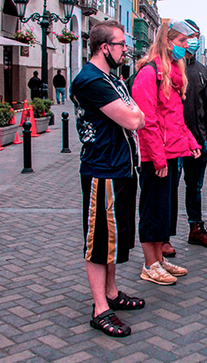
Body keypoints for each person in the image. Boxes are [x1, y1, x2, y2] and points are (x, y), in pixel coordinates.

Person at [70, 21, 146, 338]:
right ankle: (100, 308)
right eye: (121, 44)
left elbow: (136, 116)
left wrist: (134, 113)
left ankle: (112, 293)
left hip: (121, 169)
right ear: (105, 48)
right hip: (103, 171)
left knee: (114, 239)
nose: (125, 49)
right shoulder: (90, 81)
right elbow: (133, 118)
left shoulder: (111, 79)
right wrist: (134, 112)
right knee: (100, 241)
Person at [131, 20, 201, 286]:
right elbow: (147, 119)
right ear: (168, 41)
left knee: (165, 210)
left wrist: (190, 141)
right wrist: (158, 157)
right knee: (153, 209)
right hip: (156, 155)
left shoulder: (172, 71)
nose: (187, 46)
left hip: (171, 152)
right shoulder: (150, 73)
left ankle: (159, 259)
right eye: (183, 41)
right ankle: (150, 264)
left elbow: (175, 117)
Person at [177, 19, 207, 249]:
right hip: (173, 142)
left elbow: (206, 105)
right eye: (186, 37)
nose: (191, 41)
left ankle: (195, 229)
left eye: (195, 36)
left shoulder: (202, 70)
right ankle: (163, 237)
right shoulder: (170, 67)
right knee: (169, 189)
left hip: (198, 139)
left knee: (195, 187)